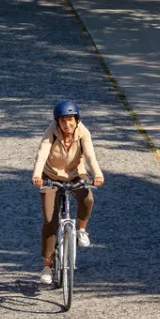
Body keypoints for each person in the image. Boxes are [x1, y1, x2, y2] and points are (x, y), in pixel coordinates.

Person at [32, 100, 104, 285]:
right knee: (50, 221)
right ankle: (47, 266)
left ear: (77, 119)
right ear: (57, 122)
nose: (67, 125)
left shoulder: (83, 133)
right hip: (51, 176)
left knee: (87, 198)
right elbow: (42, 153)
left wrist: (97, 173)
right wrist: (37, 174)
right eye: (63, 121)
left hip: (74, 174)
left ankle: (81, 230)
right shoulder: (51, 132)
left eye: (71, 120)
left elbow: (89, 155)